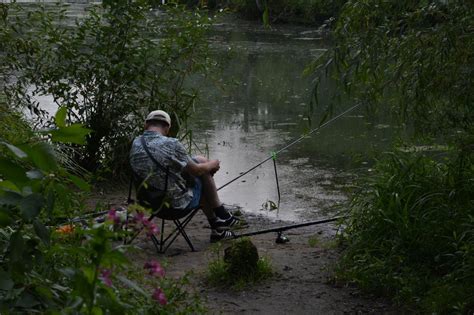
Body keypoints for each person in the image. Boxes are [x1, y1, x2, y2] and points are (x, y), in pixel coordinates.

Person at [129, 110, 239, 242]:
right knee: (202, 168)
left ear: (146, 125)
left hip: (147, 204)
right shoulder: (171, 144)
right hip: (174, 207)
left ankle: (217, 225)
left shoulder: (135, 143)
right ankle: (221, 214)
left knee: (198, 162)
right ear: (168, 128)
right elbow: (197, 170)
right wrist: (213, 164)